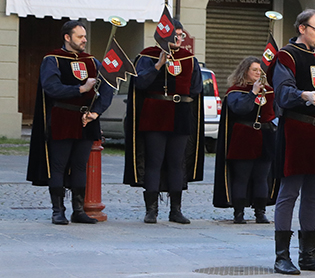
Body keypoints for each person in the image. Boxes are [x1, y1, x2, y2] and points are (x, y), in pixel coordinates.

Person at [271, 9, 315, 275]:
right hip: (296, 130)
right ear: (302, 28)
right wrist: (303, 95)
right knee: (289, 193)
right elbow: (283, 92)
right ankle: (282, 256)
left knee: (313, 196)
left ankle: (308, 255)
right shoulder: (286, 56)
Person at [27, 19, 113, 225]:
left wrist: (96, 112)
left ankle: (78, 210)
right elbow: (51, 87)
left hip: (86, 120)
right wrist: (80, 89)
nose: (84, 40)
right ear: (67, 37)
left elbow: (108, 88)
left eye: (85, 36)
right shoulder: (53, 59)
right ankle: (58, 211)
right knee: (58, 166)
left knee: (80, 166)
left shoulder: (92, 61)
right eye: (80, 36)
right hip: (62, 118)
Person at [124, 20, 205, 224]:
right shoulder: (146, 56)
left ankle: (175, 209)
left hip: (181, 112)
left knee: (177, 161)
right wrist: (158, 65)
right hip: (155, 111)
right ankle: (151, 209)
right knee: (154, 160)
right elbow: (140, 82)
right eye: (175, 35)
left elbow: (196, 88)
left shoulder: (189, 58)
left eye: (181, 35)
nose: (179, 39)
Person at [212, 56, 276, 224]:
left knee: (262, 176)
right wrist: (253, 92)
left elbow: (276, 112)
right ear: (245, 71)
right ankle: (238, 212)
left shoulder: (269, 91)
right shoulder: (235, 91)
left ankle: (260, 212)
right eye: (254, 70)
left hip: (265, 137)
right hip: (243, 137)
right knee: (242, 176)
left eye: (259, 70)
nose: (257, 73)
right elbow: (241, 108)